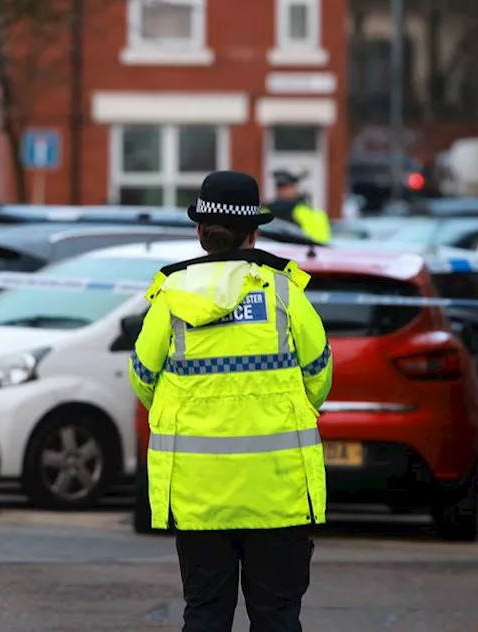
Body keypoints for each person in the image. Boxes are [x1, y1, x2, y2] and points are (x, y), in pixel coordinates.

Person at [128, 170, 334, 632]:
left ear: (200, 231)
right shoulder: (283, 292)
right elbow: (319, 374)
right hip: (277, 495)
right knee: (277, 619)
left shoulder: (171, 296)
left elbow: (142, 377)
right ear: (254, 231)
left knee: (205, 616)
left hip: (199, 497)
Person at [266, 170, 331, 244]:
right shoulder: (265, 211)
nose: (282, 191)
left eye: (286, 187)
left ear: (295, 188)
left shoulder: (311, 214)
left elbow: (319, 244)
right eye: (279, 187)